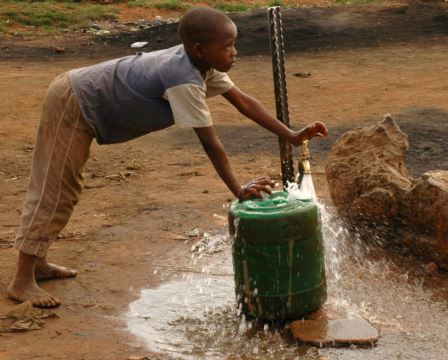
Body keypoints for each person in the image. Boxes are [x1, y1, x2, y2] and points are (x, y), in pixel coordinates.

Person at [7, 6, 328, 308]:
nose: (234, 52)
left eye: (234, 45)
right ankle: (22, 281)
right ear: (200, 49)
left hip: (85, 102)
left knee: (66, 188)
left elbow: (243, 102)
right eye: (227, 46)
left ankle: (39, 262)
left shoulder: (201, 66)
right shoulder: (184, 79)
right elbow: (211, 143)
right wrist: (238, 189)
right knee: (55, 189)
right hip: (74, 102)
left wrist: (291, 135)